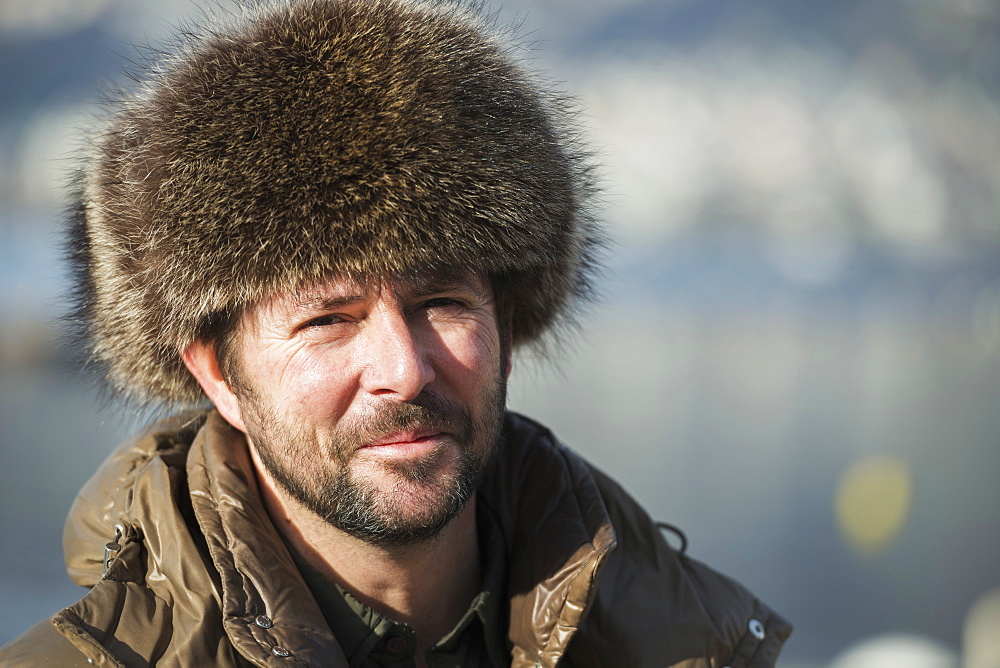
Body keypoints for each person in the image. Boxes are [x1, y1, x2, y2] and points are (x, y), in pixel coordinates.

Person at [0, 0, 791, 665]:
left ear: (507, 325)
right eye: (327, 320)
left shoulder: (685, 643)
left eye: (441, 302)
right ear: (216, 375)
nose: (403, 370)